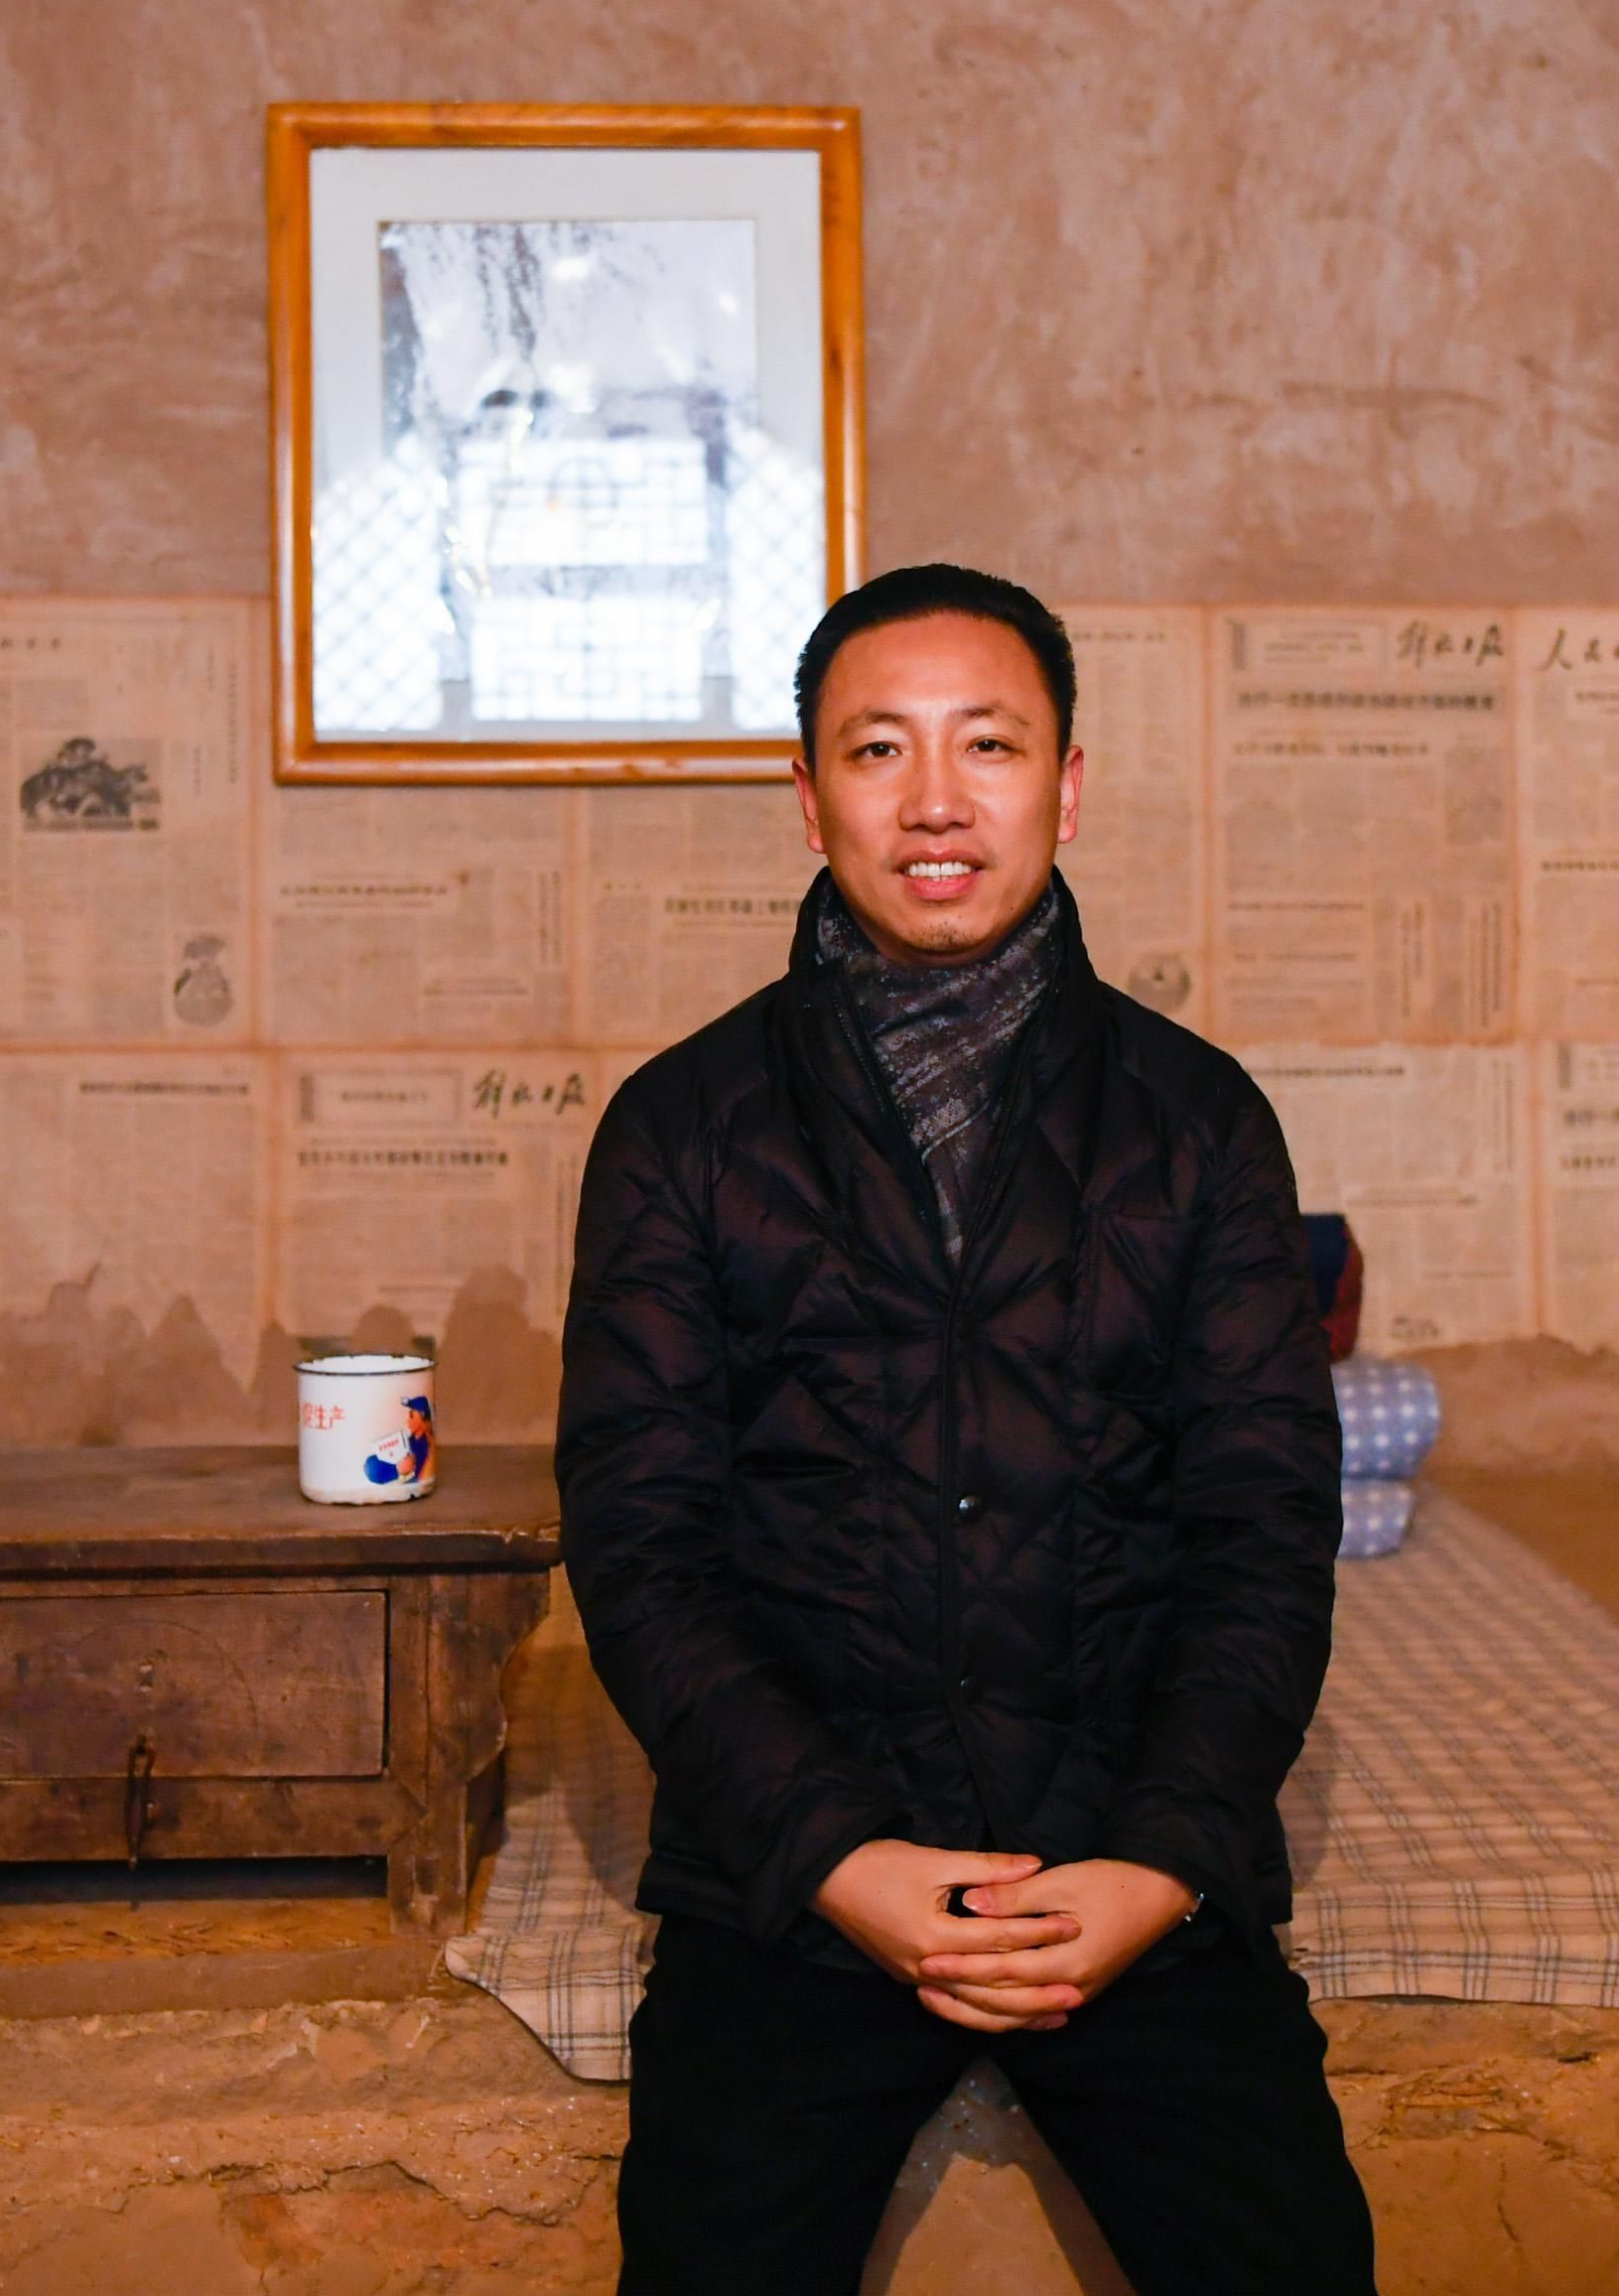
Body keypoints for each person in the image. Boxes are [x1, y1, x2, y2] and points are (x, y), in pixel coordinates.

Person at [558, 563, 1375, 2294]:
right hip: (803, 1883)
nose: (936, 801)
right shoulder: (683, 1127)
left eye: (988, 746)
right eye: (879, 750)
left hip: (1124, 1859)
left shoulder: (1198, 1122)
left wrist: (1161, 1862)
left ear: (1066, 787)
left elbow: (1262, 1535)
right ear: (810, 798)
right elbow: (641, 1550)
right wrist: (837, 1858)